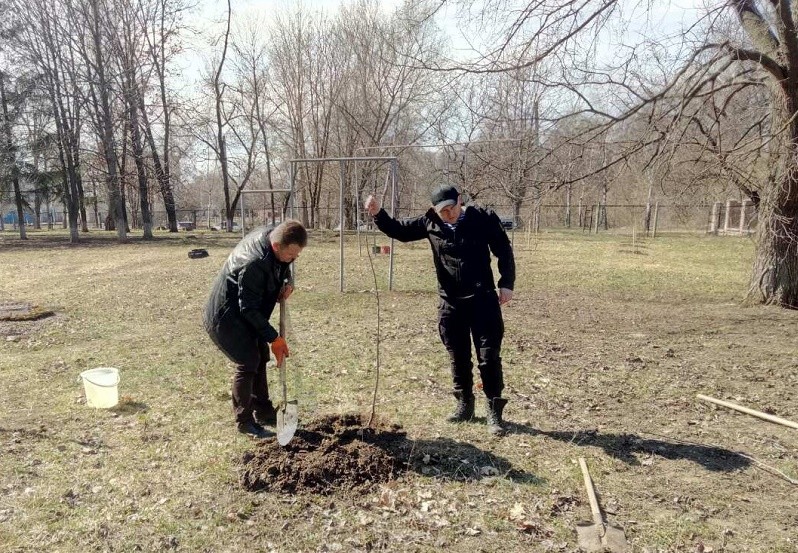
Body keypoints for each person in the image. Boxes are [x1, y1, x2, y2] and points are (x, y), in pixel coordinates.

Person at [365, 184, 515, 435]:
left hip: (483, 300)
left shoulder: (483, 218)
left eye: (451, 209)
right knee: (458, 355)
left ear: (460, 200)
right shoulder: (430, 222)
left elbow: (504, 250)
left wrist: (506, 283)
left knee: (489, 356)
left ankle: (494, 410)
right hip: (451, 303)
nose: (448, 214)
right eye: (443, 211)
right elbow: (399, 230)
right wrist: (378, 213)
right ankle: (465, 404)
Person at [204, 220, 307, 438]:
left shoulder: (277, 237)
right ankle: (244, 421)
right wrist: (274, 338)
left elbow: (283, 265)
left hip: (246, 310)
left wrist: (287, 281)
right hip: (226, 317)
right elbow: (248, 308)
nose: (294, 259)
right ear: (276, 246)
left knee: (261, 356)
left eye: (297, 255)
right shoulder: (255, 264)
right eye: (291, 255)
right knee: (249, 361)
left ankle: (263, 410)